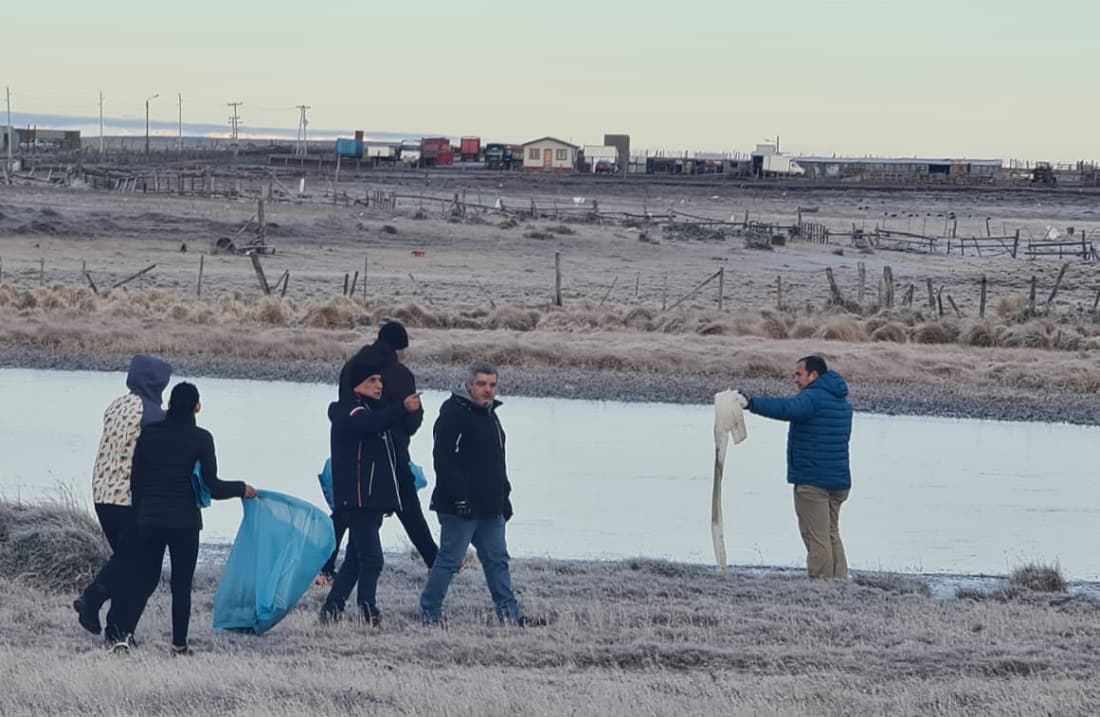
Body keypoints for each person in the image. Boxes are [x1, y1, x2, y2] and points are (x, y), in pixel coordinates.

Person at [111, 382, 258, 654]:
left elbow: (137, 481)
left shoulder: (149, 435)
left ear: (169, 404)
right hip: (185, 522)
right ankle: (179, 645)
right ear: (197, 407)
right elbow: (212, 486)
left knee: (143, 579)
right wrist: (241, 489)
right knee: (181, 585)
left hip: (150, 520)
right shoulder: (202, 438)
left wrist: (140, 514)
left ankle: (122, 636)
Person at [320, 321, 437, 582]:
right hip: (391, 449)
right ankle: (435, 562)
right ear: (399, 347)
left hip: (351, 450)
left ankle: (325, 566)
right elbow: (410, 416)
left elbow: (345, 406)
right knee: (408, 506)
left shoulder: (353, 367)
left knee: (344, 510)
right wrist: (405, 428)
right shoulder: (400, 374)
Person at [419, 362, 527, 626]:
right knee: (450, 561)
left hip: (491, 506)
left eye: (492, 385)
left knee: (498, 560)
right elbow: (442, 460)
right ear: (469, 385)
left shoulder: (491, 414)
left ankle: (510, 616)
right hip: (459, 507)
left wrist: (505, 495)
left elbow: (497, 461)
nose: (487, 390)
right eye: (481, 384)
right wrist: (459, 498)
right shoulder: (453, 413)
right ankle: (429, 614)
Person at [320, 349, 423, 625]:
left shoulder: (369, 411)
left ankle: (331, 610)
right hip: (358, 502)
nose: (379, 385)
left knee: (355, 559)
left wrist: (387, 499)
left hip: (370, 501)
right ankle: (368, 612)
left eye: (379, 380)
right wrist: (401, 408)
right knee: (373, 560)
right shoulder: (349, 411)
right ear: (356, 385)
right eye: (372, 381)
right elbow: (369, 424)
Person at [74, 354, 172, 638]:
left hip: (102, 493)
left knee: (130, 561)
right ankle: (92, 601)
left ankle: (118, 632)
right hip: (129, 498)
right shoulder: (153, 414)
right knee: (137, 562)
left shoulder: (115, 405)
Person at [733, 355, 853, 580]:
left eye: (799, 374)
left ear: (813, 375)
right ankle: (839, 582)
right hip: (839, 482)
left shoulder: (812, 398)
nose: (795, 379)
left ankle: (822, 586)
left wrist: (750, 403)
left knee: (816, 537)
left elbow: (787, 408)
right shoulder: (841, 402)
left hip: (813, 482)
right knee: (831, 533)